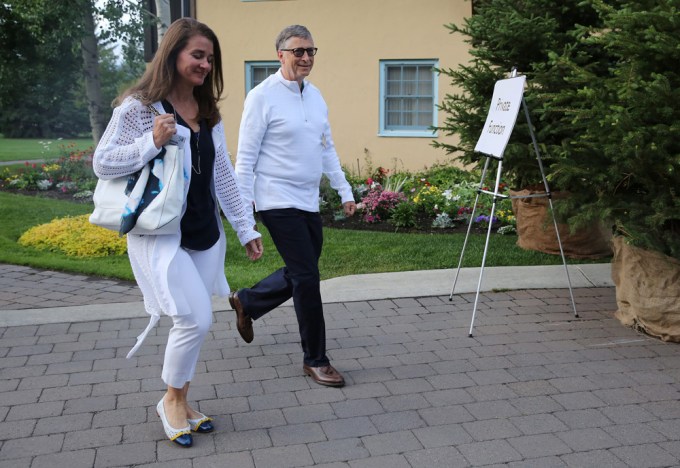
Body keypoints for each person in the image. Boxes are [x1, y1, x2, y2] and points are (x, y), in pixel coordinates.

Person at [92, 18, 263, 448]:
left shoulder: (208, 112)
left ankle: (182, 400)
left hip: (206, 233)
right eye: (197, 55)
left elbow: (223, 173)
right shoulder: (141, 106)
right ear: (173, 55)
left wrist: (244, 227)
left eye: (210, 57)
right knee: (194, 318)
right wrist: (150, 141)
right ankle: (170, 400)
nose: (205, 64)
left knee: (194, 324)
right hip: (160, 234)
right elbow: (103, 162)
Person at [232, 24, 356, 388]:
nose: (305, 58)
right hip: (275, 199)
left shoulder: (316, 96)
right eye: (298, 51)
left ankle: (248, 301)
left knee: (303, 269)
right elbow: (246, 159)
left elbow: (326, 146)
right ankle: (315, 359)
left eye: (311, 51)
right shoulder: (261, 96)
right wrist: (245, 221)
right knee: (307, 277)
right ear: (280, 55)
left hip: (307, 199)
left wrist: (344, 190)